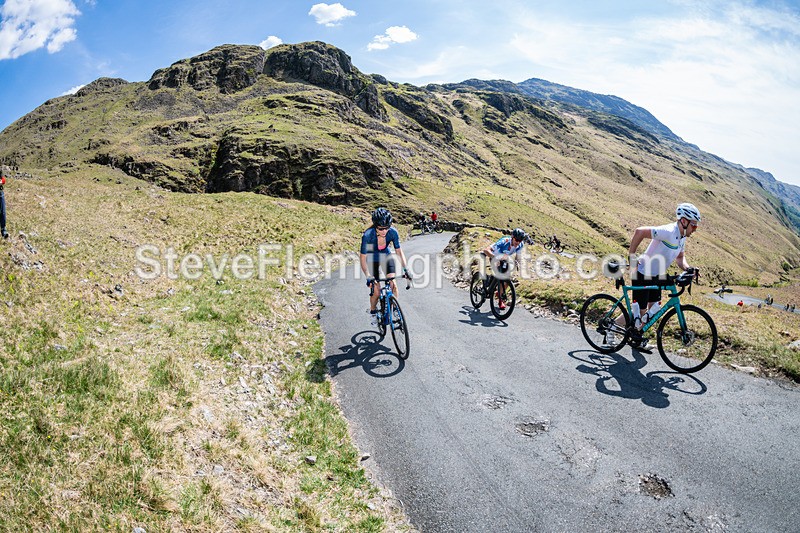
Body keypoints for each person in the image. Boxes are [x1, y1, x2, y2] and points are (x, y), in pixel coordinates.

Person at [621, 202, 702, 351]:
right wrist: (632, 256)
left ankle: (636, 337)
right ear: (684, 221)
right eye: (694, 225)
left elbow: (680, 258)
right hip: (643, 273)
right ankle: (612, 327)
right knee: (641, 311)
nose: (695, 229)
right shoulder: (668, 231)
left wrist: (688, 268)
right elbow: (639, 232)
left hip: (657, 275)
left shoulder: (681, 237)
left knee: (654, 309)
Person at [360, 207, 410, 325]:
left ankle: (394, 308)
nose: (384, 231)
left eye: (387, 228)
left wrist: (406, 269)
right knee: (376, 291)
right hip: (372, 260)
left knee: (393, 285)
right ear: (375, 226)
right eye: (381, 229)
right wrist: (368, 276)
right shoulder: (368, 235)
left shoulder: (393, 232)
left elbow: (399, 251)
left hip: (386, 257)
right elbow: (363, 258)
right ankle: (373, 312)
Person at [482, 228, 526, 310]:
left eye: (520, 240)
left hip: (504, 258)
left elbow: (518, 256)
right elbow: (486, 250)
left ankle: (499, 294)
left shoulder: (520, 244)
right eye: (516, 240)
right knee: (498, 273)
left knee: (507, 278)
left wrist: (517, 263)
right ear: (512, 237)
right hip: (494, 256)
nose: (518, 242)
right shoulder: (504, 241)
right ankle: (490, 283)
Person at [0, 168, 8, 239]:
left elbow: (3, 179)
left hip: (0, 193)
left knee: (3, 212)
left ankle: (3, 230)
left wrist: (1, 182)